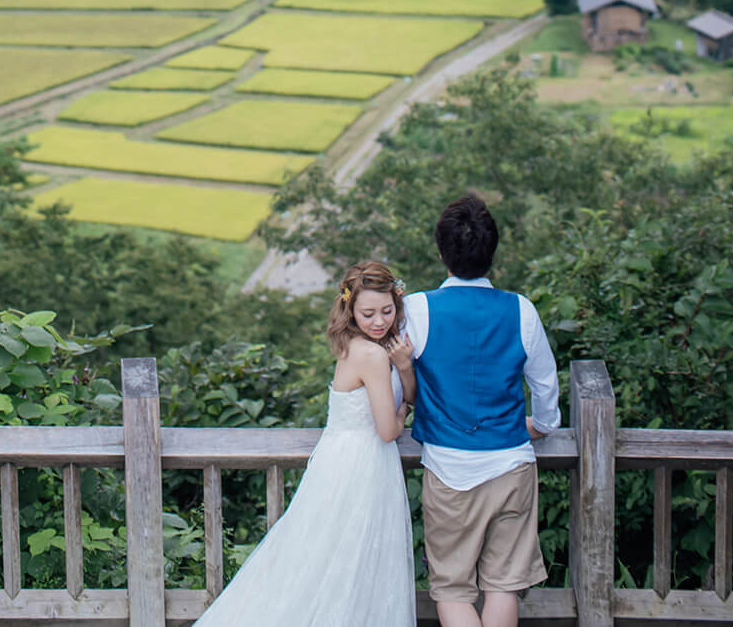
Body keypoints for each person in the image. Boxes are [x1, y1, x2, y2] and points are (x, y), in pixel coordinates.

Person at [194, 259, 417, 626]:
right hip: (360, 466)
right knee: (350, 563)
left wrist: (405, 369)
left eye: (387, 311)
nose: (380, 321)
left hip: (343, 459)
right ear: (350, 310)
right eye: (368, 313)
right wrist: (403, 406)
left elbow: (399, 398)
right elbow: (388, 431)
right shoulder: (371, 353)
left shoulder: (359, 346)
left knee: (329, 561)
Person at [403, 194, 561, 627]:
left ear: (441, 252)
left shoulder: (417, 309)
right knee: (503, 586)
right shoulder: (521, 310)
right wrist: (543, 425)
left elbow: (396, 378)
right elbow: (545, 384)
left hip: (448, 467)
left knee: (453, 590)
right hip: (512, 464)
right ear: (492, 251)